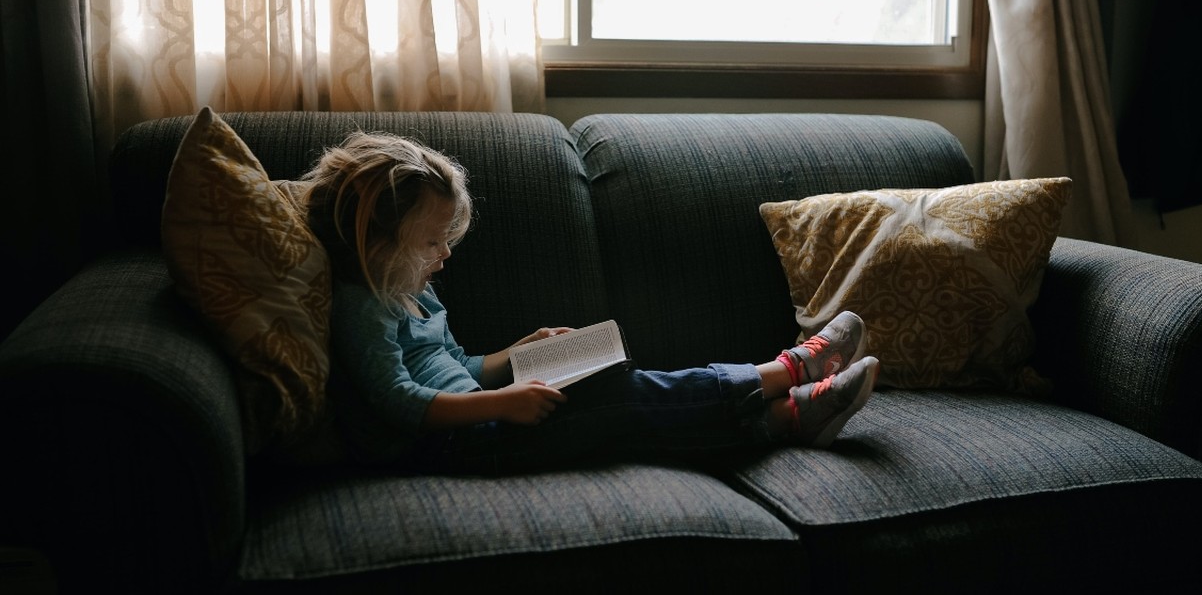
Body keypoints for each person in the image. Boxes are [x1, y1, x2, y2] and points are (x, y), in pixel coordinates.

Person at [302, 131, 880, 474]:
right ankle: (787, 371)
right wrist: (501, 403)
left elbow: (458, 366)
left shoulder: (412, 289)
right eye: (431, 243)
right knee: (617, 397)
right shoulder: (363, 306)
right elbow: (401, 401)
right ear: (375, 239)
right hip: (461, 444)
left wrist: (516, 354)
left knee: (626, 402)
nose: (443, 258)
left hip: (482, 414)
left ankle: (788, 417)